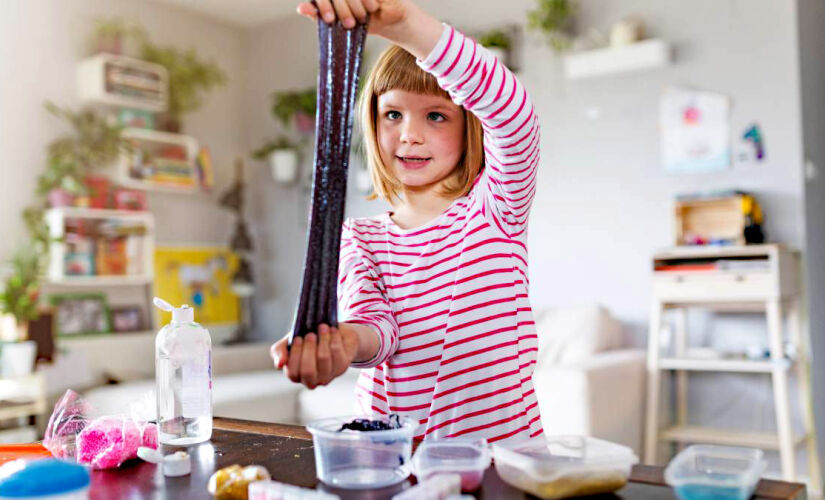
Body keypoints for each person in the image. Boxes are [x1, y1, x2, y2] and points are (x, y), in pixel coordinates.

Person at [272, 0, 542, 443]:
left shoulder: (497, 208)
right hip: (396, 458)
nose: (409, 134)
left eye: (435, 115)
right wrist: (344, 344)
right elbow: (376, 326)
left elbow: (514, 115)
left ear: (469, 125)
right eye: (393, 114)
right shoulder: (359, 237)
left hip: (503, 459)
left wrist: (410, 27)